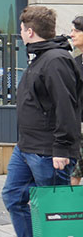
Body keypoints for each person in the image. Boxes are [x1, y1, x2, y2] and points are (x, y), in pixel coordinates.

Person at [1, 6, 83, 237]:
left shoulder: (56, 60)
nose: (20, 34)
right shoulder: (40, 57)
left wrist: (61, 149)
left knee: (53, 211)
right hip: (26, 147)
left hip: (48, 151)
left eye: (21, 29)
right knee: (13, 196)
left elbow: (66, 107)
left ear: (29, 32)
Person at [69, 15, 83, 186]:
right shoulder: (74, 62)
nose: (72, 34)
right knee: (74, 172)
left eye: (77, 31)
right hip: (78, 125)